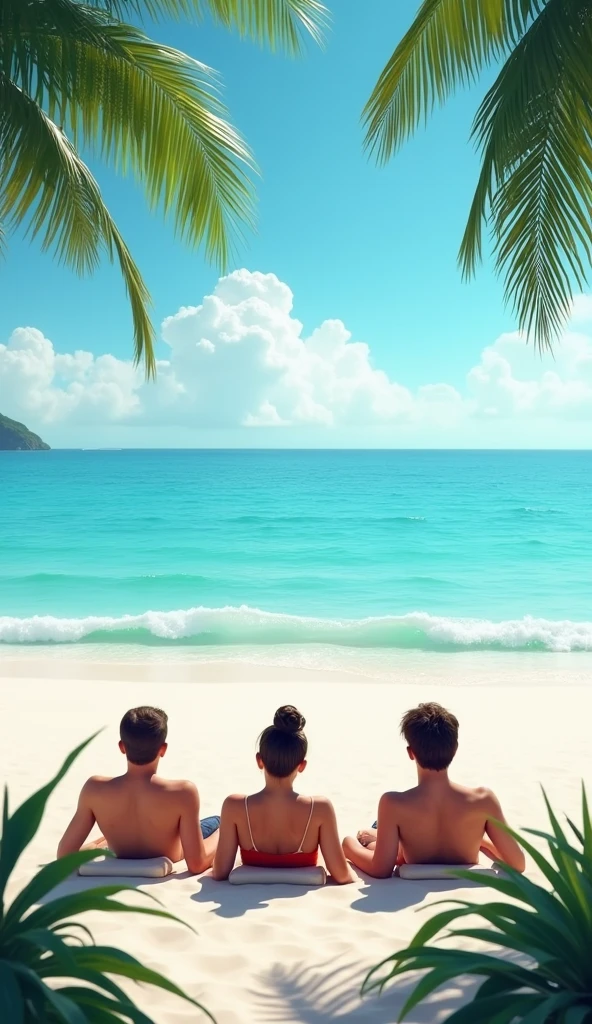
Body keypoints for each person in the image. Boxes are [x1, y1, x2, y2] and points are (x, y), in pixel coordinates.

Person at [342, 701, 526, 878]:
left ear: (410, 753)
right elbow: (518, 864)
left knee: (376, 835)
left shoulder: (393, 803)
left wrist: (348, 845)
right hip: (462, 842)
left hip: (410, 840)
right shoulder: (483, 800)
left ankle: (373, 834)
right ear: (455, 749)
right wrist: (481, 842)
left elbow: (380, 869)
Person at [57, 706, 220, 874]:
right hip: (172, 852)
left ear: (122, 747)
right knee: (217, 821)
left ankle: (104, 841)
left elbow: (64, 857)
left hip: (121, 850)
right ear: (162, 749)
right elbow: (197, 864)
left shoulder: (94, 789)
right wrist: (223, 835)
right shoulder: (183, 792)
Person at [212, 705, 354, 883]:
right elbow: (342, 875)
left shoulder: (235, 806)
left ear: (259, 761)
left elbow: (219, 872)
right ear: (302, 765)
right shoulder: (319, 808)